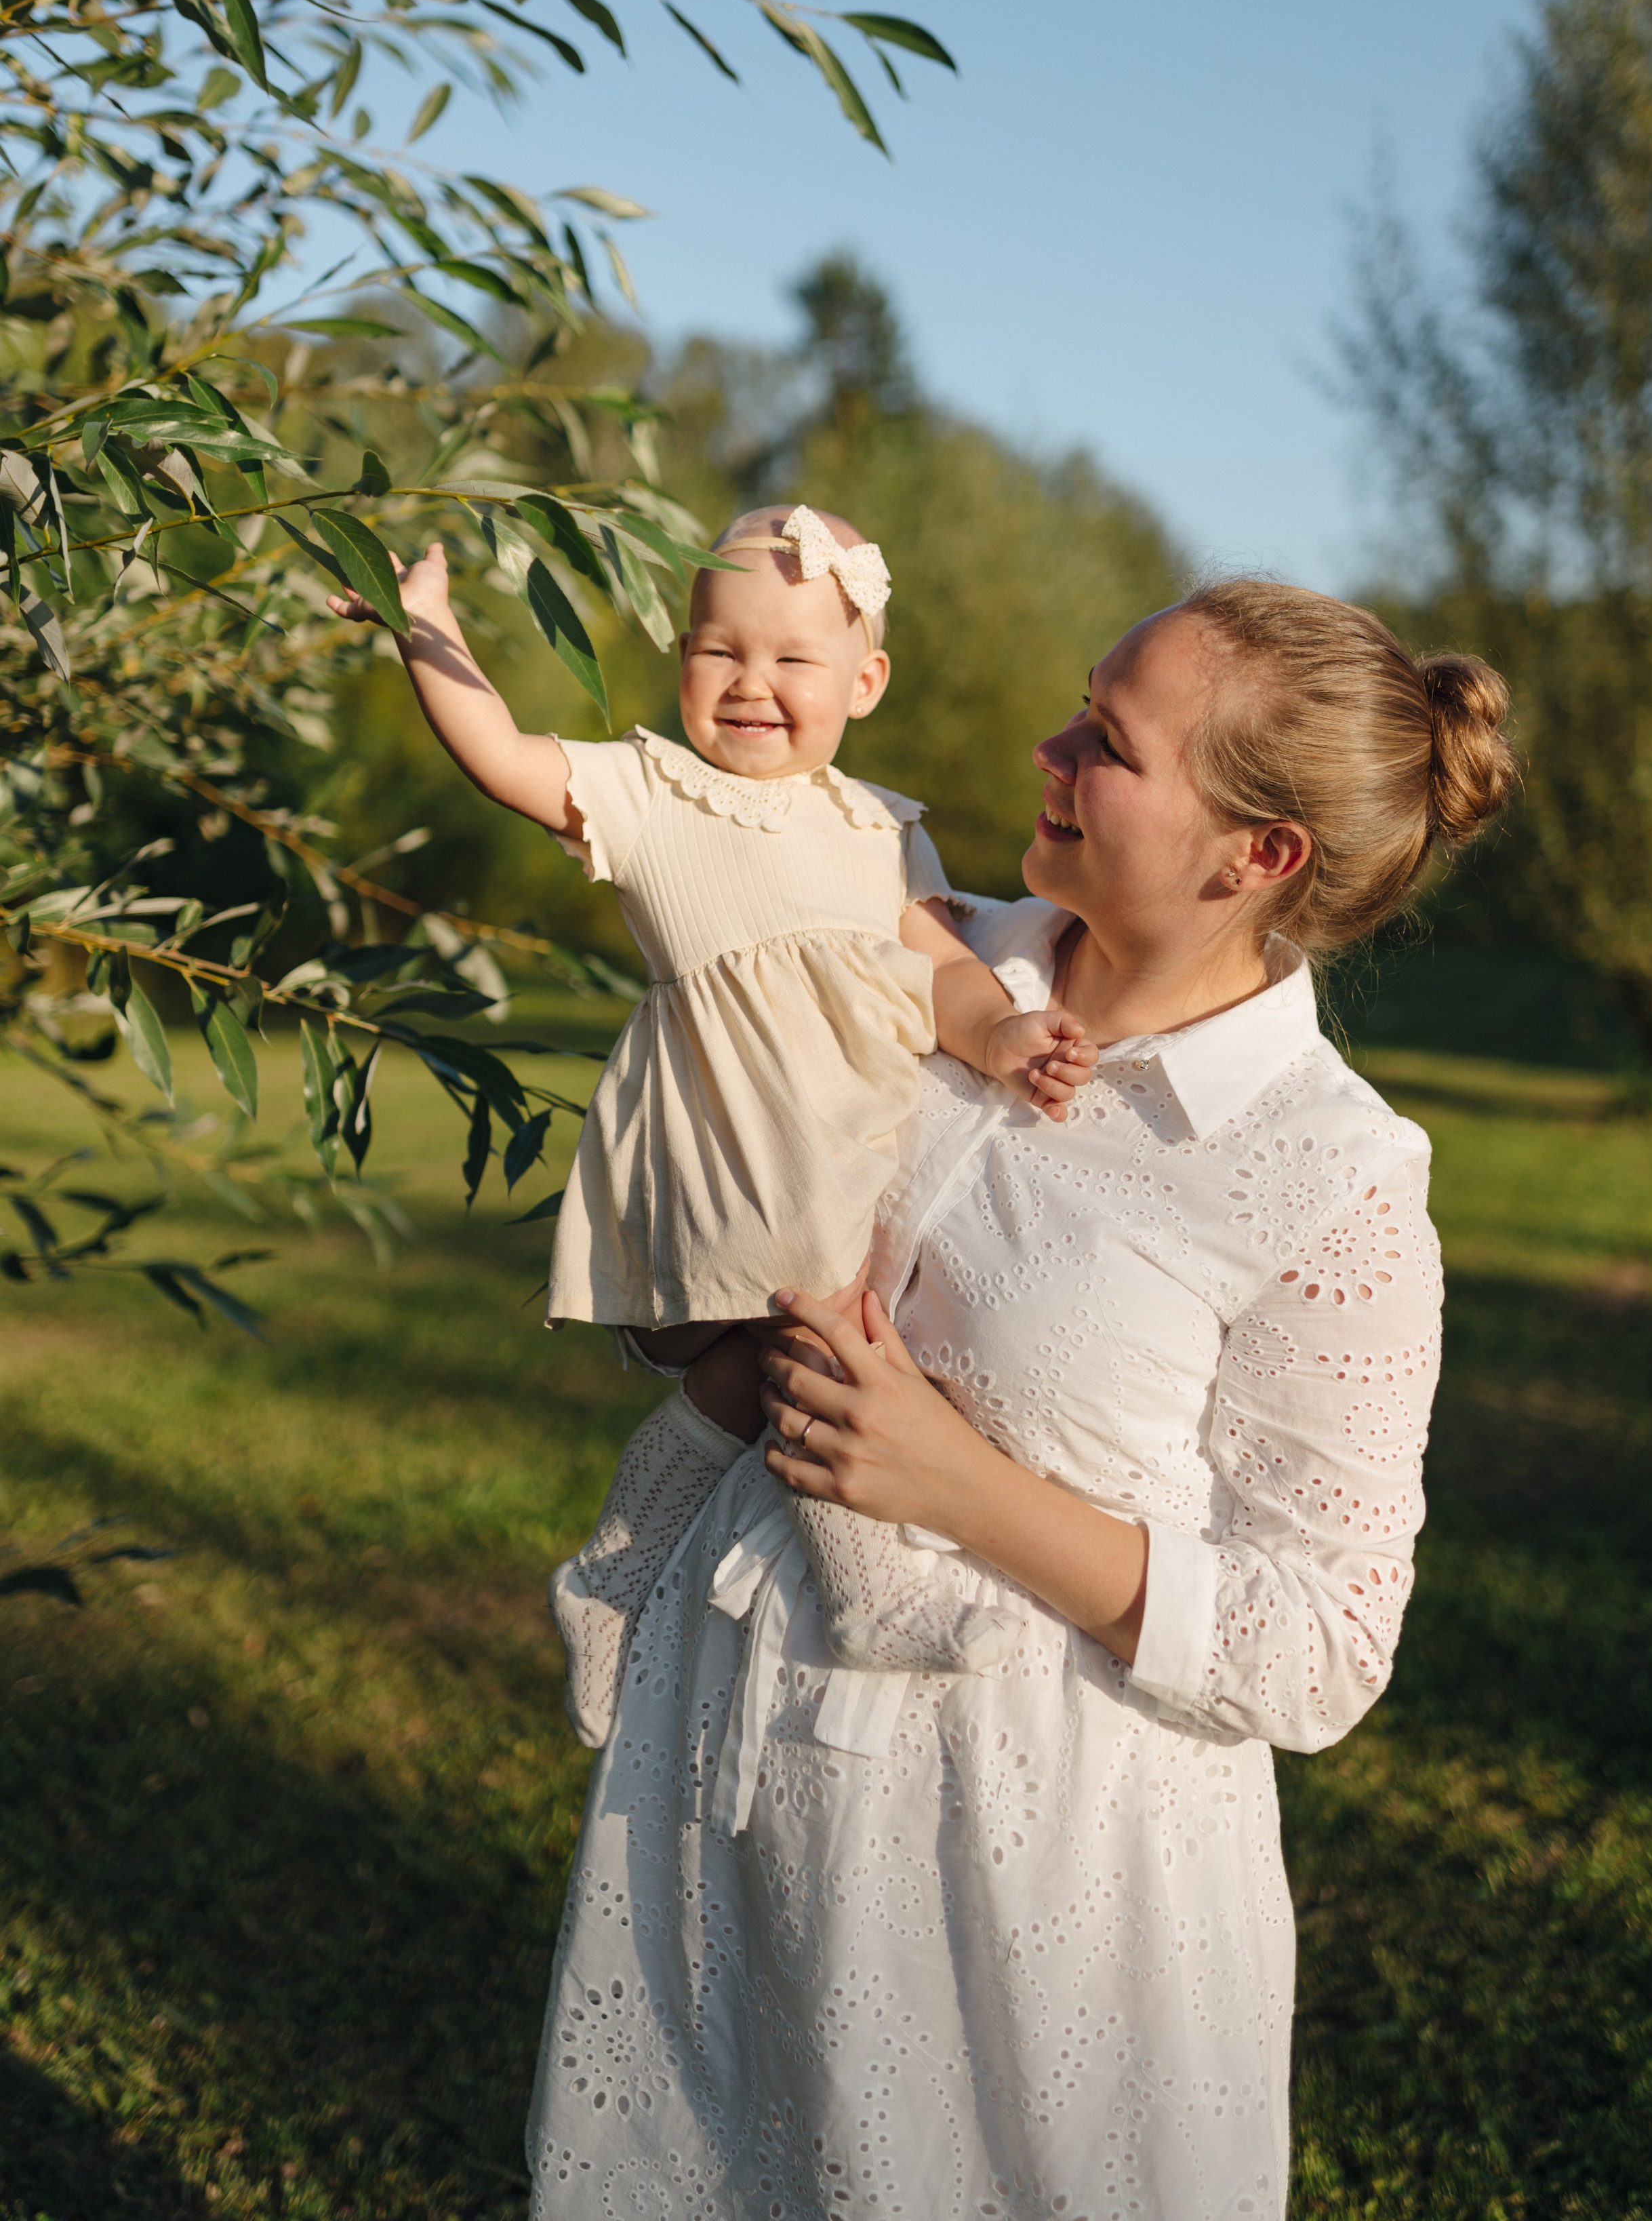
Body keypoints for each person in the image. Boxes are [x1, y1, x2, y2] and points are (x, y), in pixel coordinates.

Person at [524, 578, 1518, 2221]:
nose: (1045, 748)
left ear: (1254, 855)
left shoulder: (1324, 1172)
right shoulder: (915, 958)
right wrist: (709, 1326)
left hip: (1032, 1854)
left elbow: (1322, 1644)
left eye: (1106, 743)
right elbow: (717, 1237)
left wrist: (956, 1484)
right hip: (740, 1747)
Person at [325, 503, 1097, 1734]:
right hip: (731, 1145)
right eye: (717, 650)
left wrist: (1002, 1035)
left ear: (866, 680)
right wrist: (425, 629)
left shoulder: (884, 827)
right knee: (822, 1333)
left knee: (775, 1362)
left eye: (793, 660)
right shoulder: (654, 792)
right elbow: (504, 754)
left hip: (846, 1150)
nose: (751, 684)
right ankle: (866, 1585)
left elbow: (941, 971)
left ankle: (617, 1568)